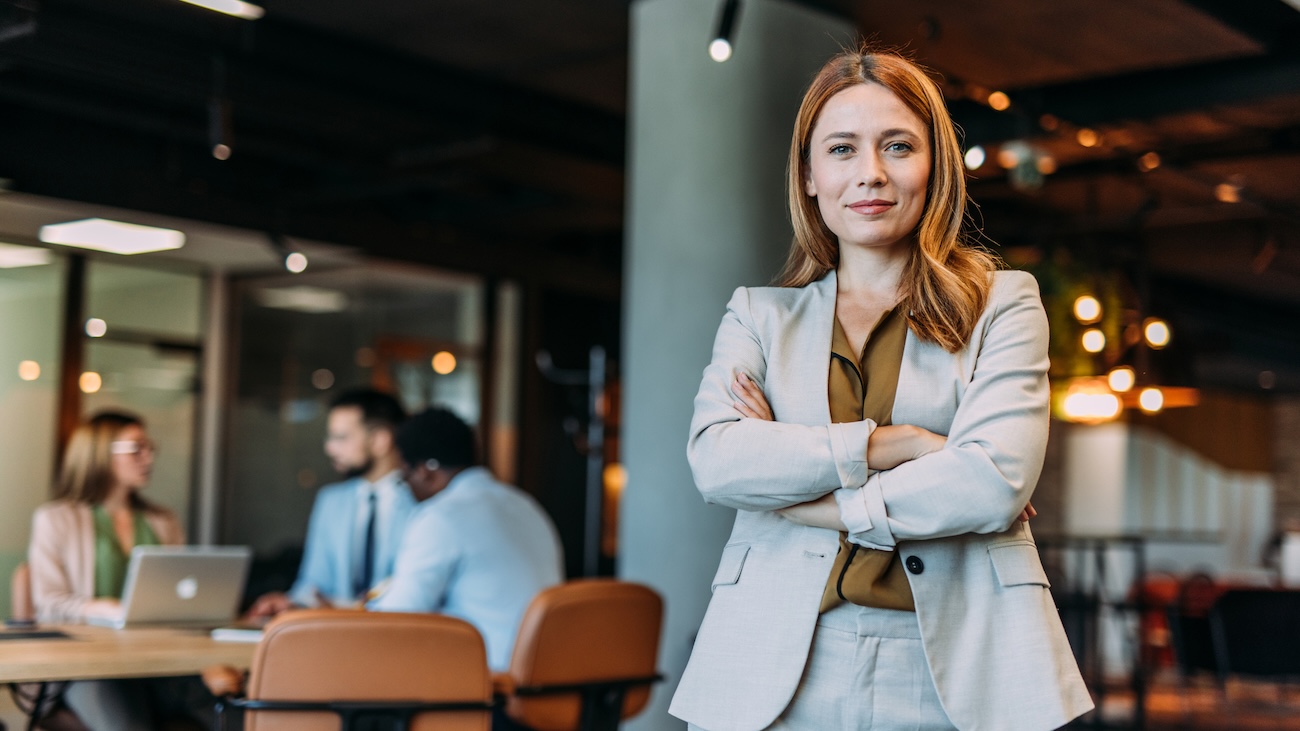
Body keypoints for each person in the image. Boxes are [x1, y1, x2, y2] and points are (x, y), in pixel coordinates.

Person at [669, 47, 1094, 731]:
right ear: (809, 174)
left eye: (898, 146)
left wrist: (817, 504)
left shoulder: (1004, 303)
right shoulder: (758, 314)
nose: (871, 173)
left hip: (959, 663)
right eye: (842, 149)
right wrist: (890, 444)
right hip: (774, 660)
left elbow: (991, 481)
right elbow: (719, 461)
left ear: (935, 167)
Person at [27, 411, 216, 731]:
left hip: (160, 663)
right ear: (101, 455)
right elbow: (48, 603)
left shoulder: (163, 520)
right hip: (89, 667)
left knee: (238, 714)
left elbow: (183, 594)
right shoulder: (56, 519)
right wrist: (106, 609)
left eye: (150, 448)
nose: (148, 458)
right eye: (136, 449)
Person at [368, 407, 564, 672]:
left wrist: (357, 609)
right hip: (547, 681)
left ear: (425, 471)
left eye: (404, 478)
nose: (408, 489)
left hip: (485, 688)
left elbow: (397, 619)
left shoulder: (441, 516)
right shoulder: (525, 505)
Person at [247, 389, 415, 616]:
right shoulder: (331, 501)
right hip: (336, 634)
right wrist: (291, 602)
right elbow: (314, 582)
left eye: (341, 438)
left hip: (400, 635)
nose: (330, 448)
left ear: (380, 440)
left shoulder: (422, 503)